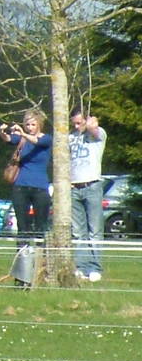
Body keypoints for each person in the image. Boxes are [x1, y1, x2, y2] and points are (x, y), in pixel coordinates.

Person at [0, 109, 52, 246]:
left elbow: (37, 141)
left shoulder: (46, 139)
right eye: (27, 125)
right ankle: (23, 253)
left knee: (40, 225)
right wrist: (2, 132)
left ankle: (40, 254)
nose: (30, 128)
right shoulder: (22, 139)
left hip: (40, 188)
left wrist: (22, 133)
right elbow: (9, 139)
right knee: (23, 225)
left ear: (39, 124)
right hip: (21, 186)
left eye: (33, 125)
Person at [69, 109, 107, 282]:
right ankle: (80, 267)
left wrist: (92, 126)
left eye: (80, 123)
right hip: (74, 187)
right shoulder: (70, 137)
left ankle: (95, 267)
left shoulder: (97, 135)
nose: (77, 127)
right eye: (74, 124)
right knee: (78, 231)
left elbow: (95, 131)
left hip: (92, 185)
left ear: (87, 120)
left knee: (95, 230)